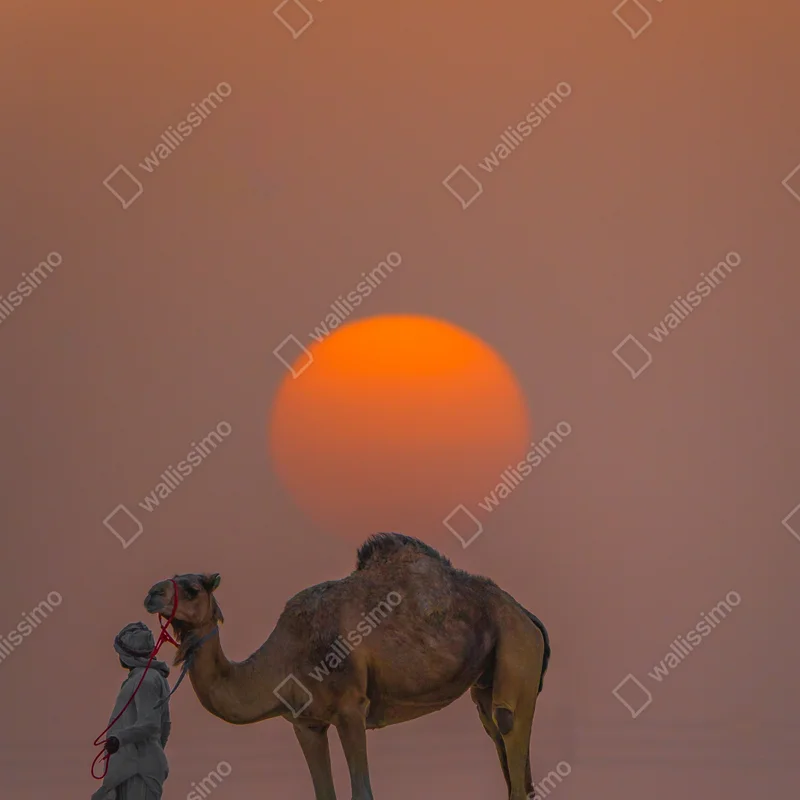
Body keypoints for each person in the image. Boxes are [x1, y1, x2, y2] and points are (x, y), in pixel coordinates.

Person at [91, 622, 171, 800]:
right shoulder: (148, 678)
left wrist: (119, 739)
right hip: (131, 765)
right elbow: (165, 727)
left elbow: (151, 724)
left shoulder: (146, 680)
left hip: (138, 770)